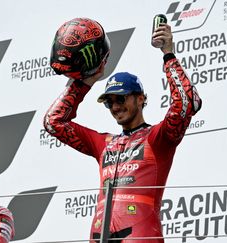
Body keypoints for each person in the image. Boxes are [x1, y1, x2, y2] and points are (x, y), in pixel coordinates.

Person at [44, 22, 202, 242]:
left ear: (140, 98)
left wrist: (168, 53)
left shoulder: (158, 139)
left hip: (141, 236)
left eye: (121, 98)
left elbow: (186, 104)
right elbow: (53, 122)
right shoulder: (103, 144)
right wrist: (86, 81)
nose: (115, 106)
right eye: (109, 102)